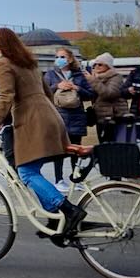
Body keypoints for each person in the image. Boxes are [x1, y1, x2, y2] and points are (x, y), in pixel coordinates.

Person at [0, 27, 85, 233]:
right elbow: (47, 92)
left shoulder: (2, 63)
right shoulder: (29, 62)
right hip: (51, 117)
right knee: (33, 171)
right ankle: (55, 221)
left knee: (26, 173)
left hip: (32, 121)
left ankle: (68, 209)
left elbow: (6, 96)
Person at [44, 46, 93, 191]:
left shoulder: (79, 75)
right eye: (57, 57)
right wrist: (57, 86)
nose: (59, 60)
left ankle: (76, 178)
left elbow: (90, 94)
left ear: (70, 59)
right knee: (59, 150)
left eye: (62, 57)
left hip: (76, 116)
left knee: (76, 149)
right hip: (59, 116)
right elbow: (43, 93)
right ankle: (59, 180)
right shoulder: (50, 75)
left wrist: (77, 88)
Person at [85, 53, 131, 143]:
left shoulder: (116, 77)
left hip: (115, 118)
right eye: (94, 64)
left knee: (115, 145)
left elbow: (109, 94)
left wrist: (93, 81)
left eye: (100, 64)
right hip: (101, 118)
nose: (96, 66)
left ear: (108, 65)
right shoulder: (96, 78)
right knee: (103, 145)